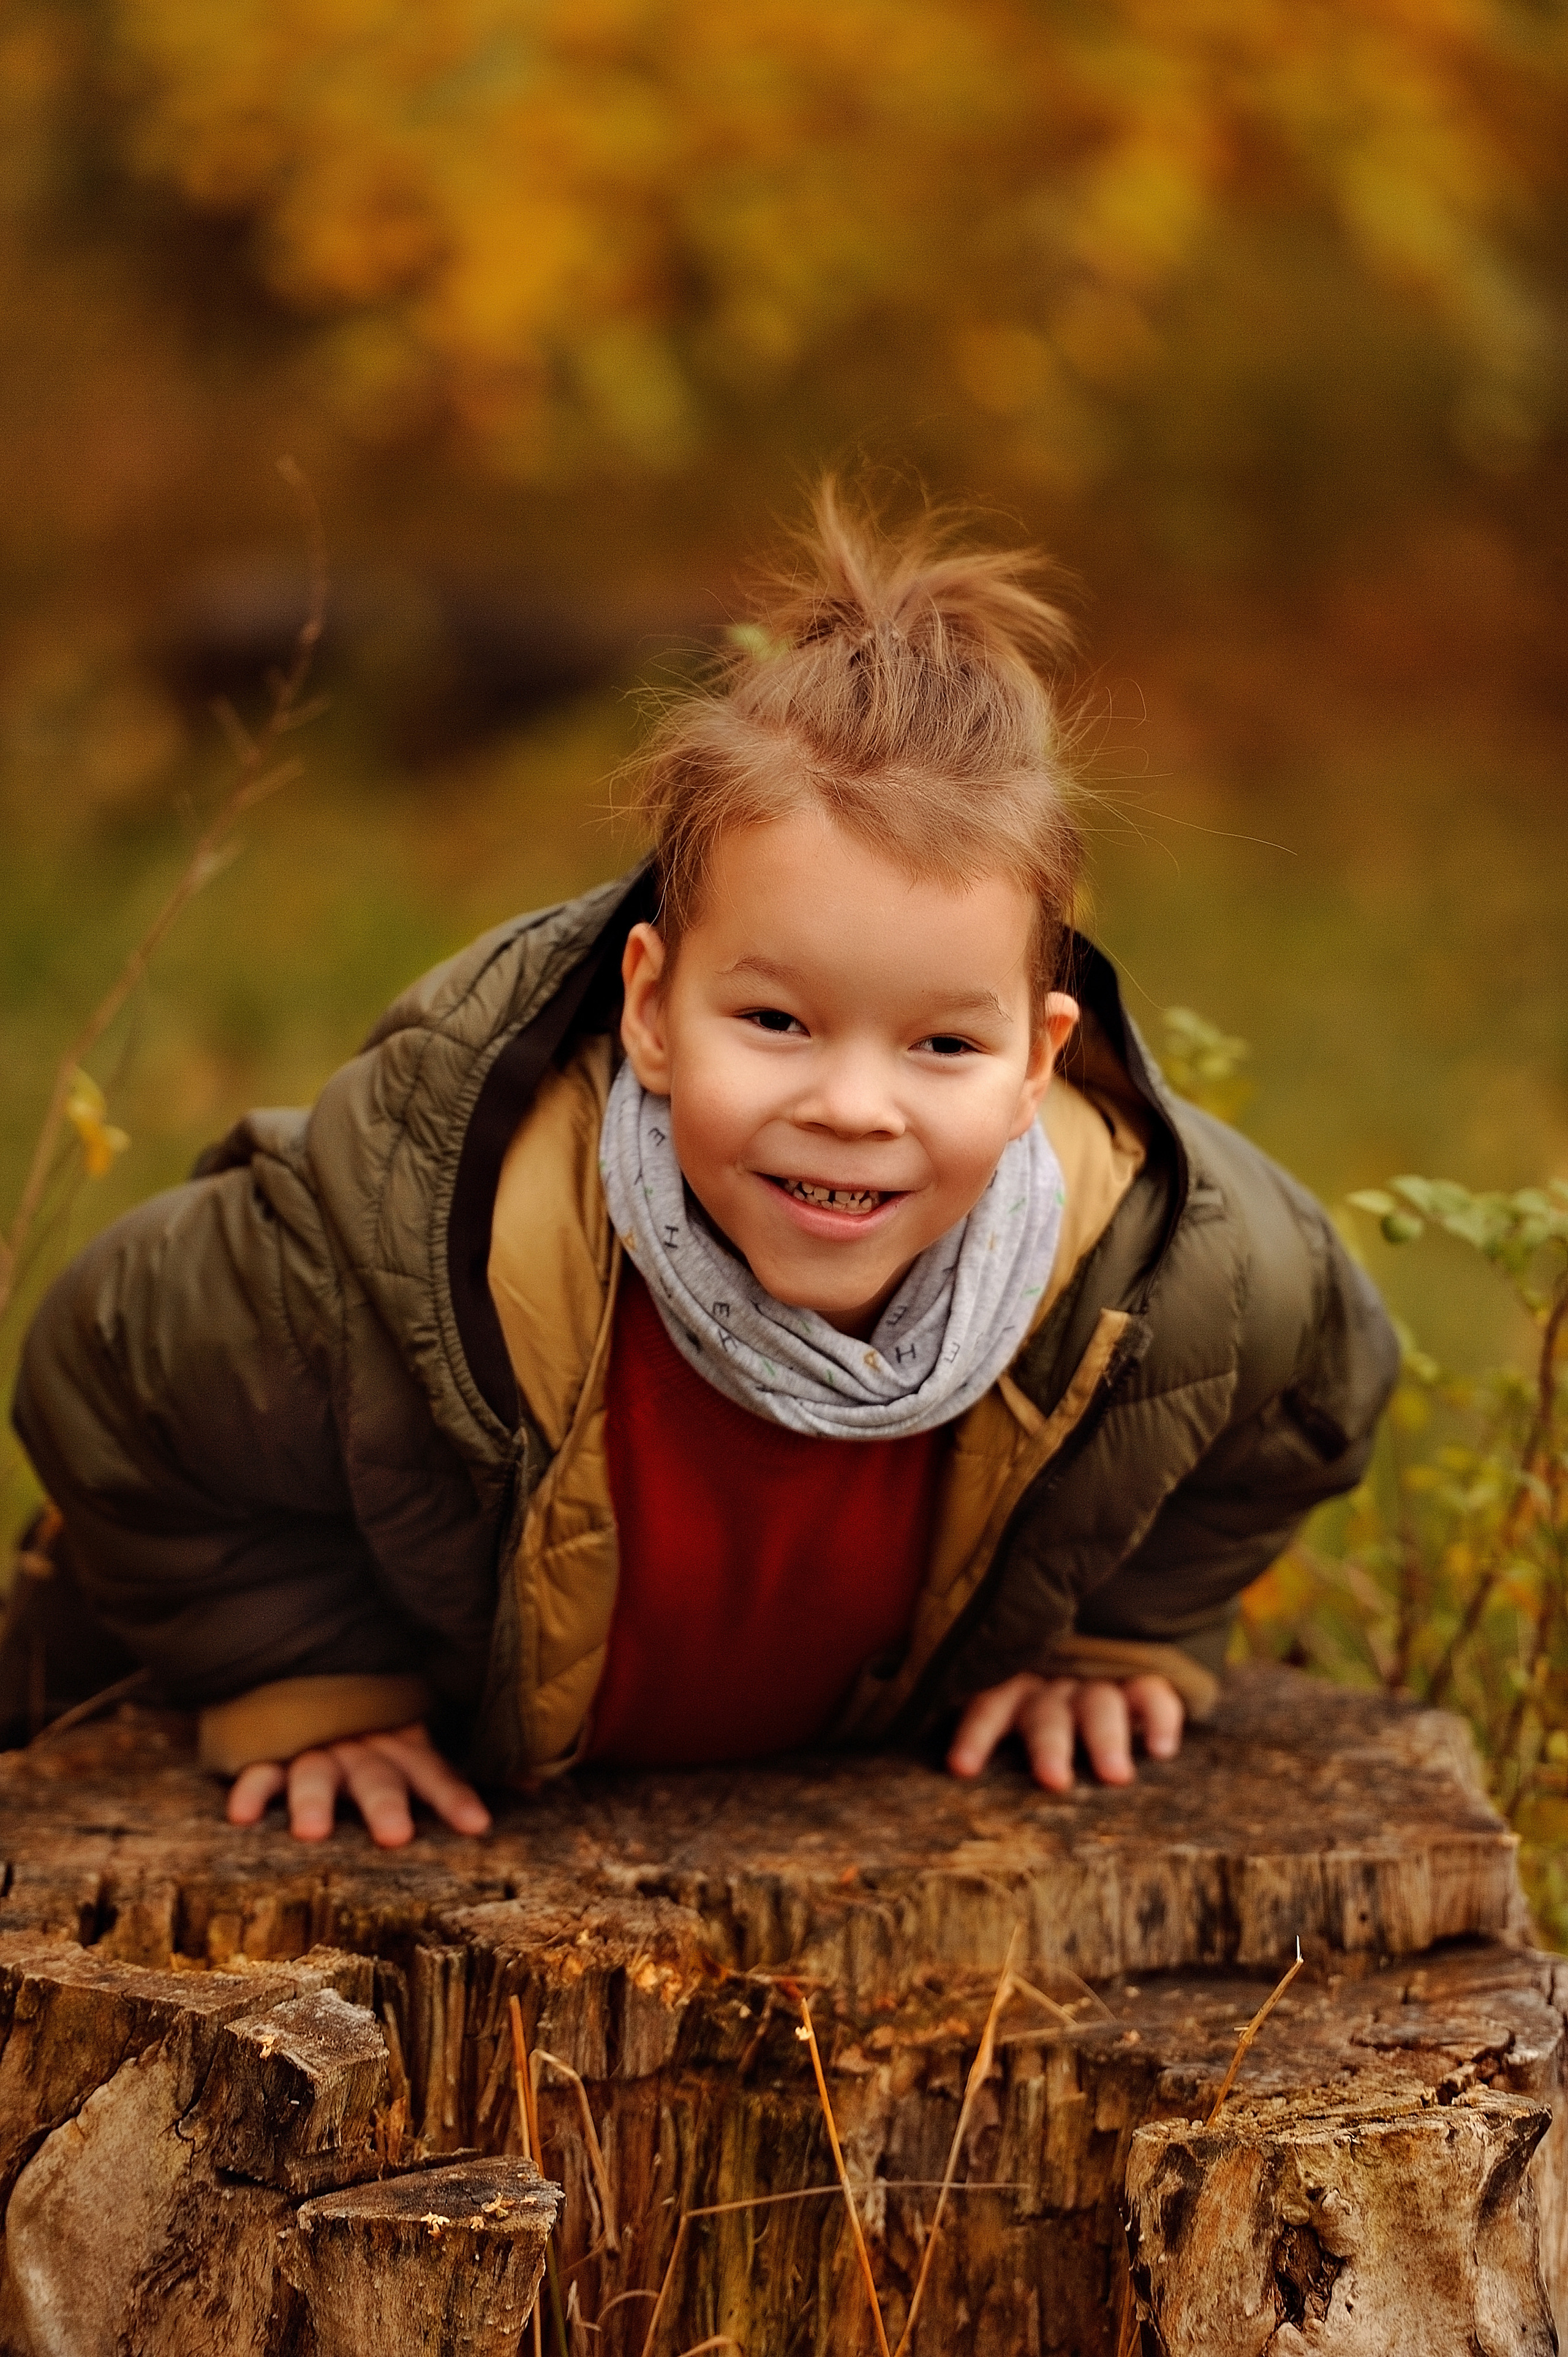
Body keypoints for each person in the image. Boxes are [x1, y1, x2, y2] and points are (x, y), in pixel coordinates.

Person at [9, 488, 1399, 1847]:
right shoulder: (442, 1238)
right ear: (650, 1008)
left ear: (1039, 1058)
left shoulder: (1165, 1266)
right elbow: (113, 1353)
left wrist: (1121, 1635)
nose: (852, 1106)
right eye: (776, 1022)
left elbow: (1311, 1382)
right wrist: (296, 1670)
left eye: (940, 1044)